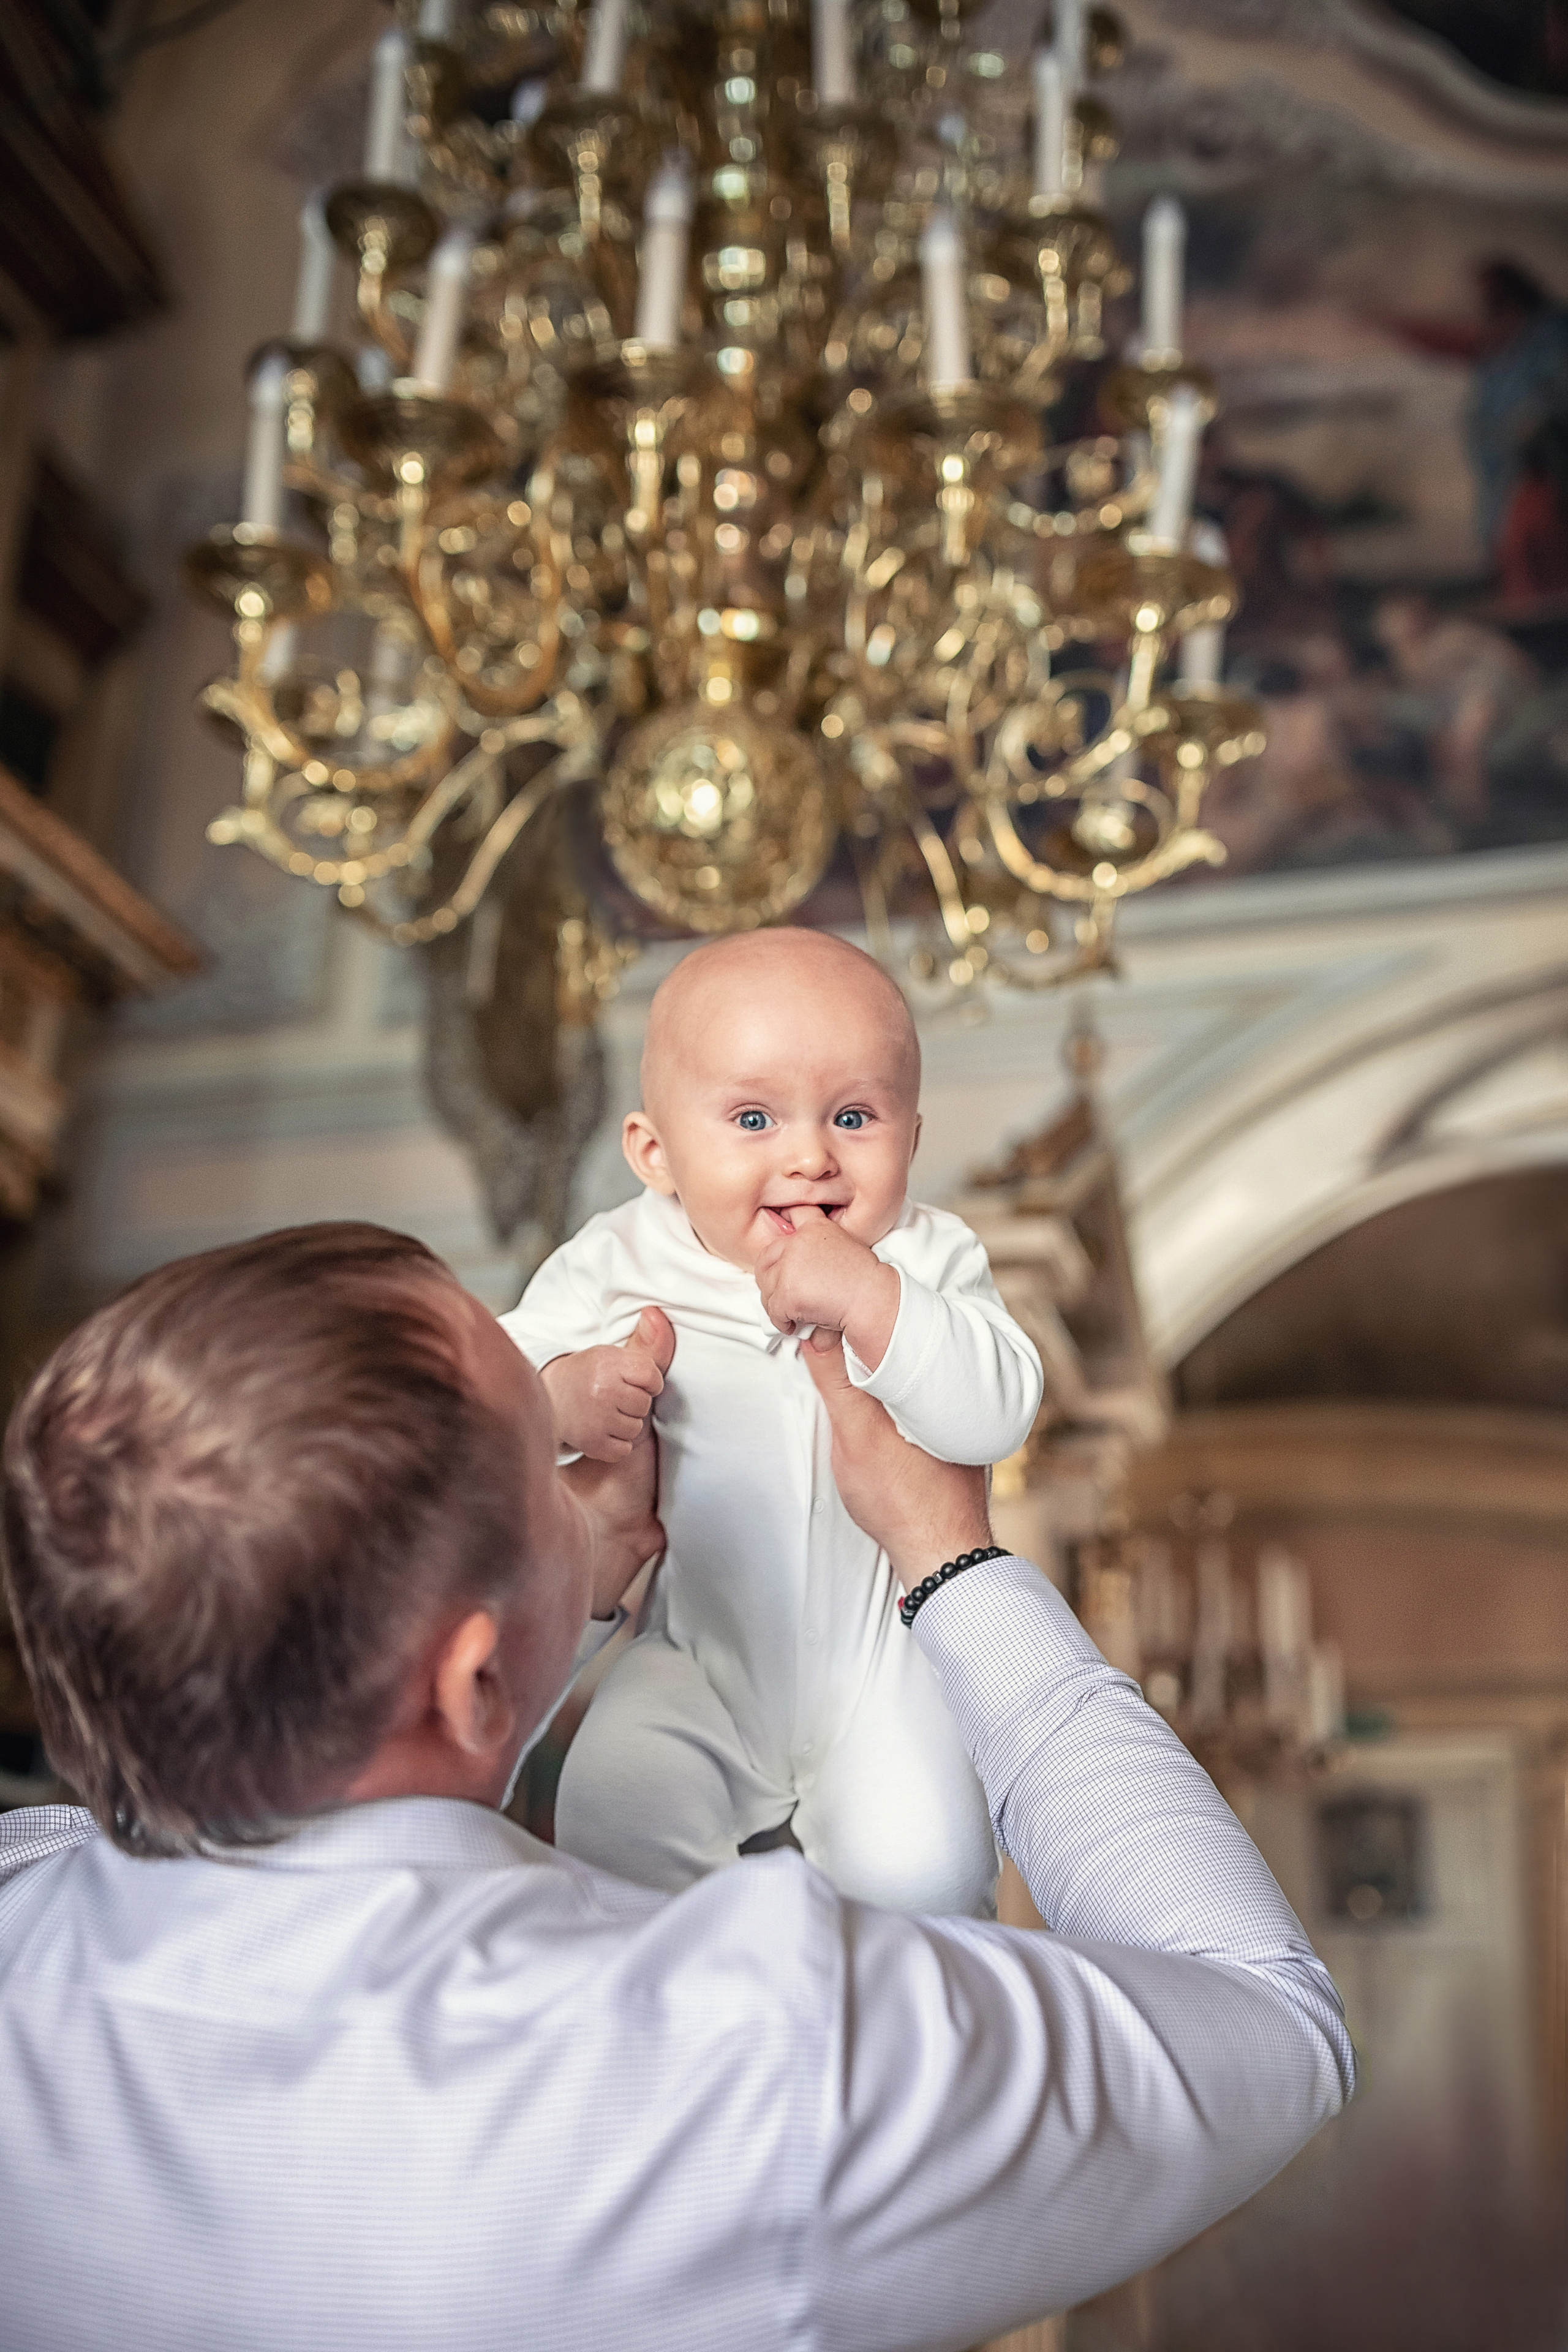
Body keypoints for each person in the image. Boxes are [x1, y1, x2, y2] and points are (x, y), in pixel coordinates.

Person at [0, 1221, 1354, 2352]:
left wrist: (549, 1617)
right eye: (546, 1461)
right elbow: (1270, 2019)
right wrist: (952, 1559)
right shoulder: (756, 2060)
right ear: (468, 1679)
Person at [503, 928, 1043, 1915]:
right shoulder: (619, 1258)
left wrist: (872, 1296)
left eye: (854, 1117)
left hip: (886, 1667)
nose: (810, 1157)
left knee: (927, 1873)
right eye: (754, 1118)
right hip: (701, 1656)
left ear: (912, 1139)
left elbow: (999, 1411)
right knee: (613, 1807)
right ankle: (707, 1990)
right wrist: (564, 1396)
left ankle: (876, 2002)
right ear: (656, 1153)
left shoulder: (926, 1257)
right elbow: (481, 1404)